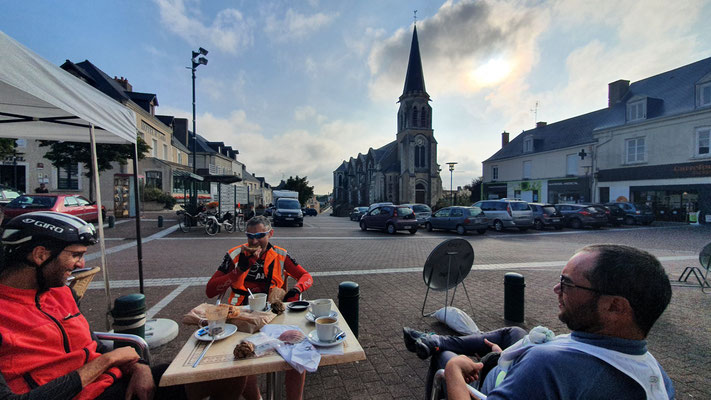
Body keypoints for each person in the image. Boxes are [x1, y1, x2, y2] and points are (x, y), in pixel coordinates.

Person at [404, 244, 675, 400]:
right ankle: (436, 340)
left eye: (567, 283)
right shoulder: (658, 378)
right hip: (512, 364)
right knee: (515, 332)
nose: (556, 290)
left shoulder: (548, 367)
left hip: (492, 381)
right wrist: (510, 357)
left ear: (615, 306)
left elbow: (550, 373)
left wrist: (452, 370)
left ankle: (438, 347)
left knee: (449, 357)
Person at [0, 211, 186, 400]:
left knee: (195, 376)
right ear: (40, 255)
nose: (81, 264)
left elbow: (94, 347)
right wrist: (107, 361)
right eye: (75, 255)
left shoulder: (62, 293)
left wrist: (139, 366)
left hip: (114, 384)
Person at [204, 215, 313, 400]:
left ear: (270, 234)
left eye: (260, 236)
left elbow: (306, 276)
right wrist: (238, 271)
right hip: (241, 313)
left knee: (298, 349)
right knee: (242, 354)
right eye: (250, 236)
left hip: (274, 313)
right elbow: (210, 290)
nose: (254, 241)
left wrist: (296, 289)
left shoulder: (280, 255)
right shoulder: (235, 254)